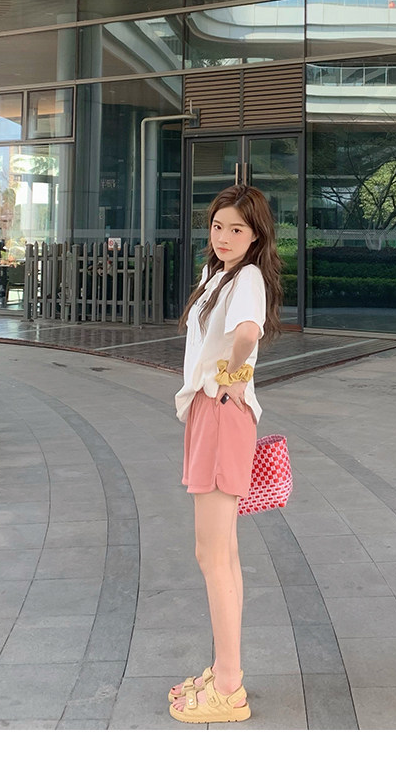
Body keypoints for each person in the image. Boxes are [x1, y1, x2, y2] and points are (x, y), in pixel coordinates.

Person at [168, 184, 283, 724]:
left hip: (218, 413)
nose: (224, 236)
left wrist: (234, 377)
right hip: (209, 411)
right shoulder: (218, 275)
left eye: (237, 228)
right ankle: (223, 672)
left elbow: (248, 332)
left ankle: (229, 687)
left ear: (255, 235)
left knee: (211, 556)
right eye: (218, 226)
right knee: (224, 555)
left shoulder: (248, 277)